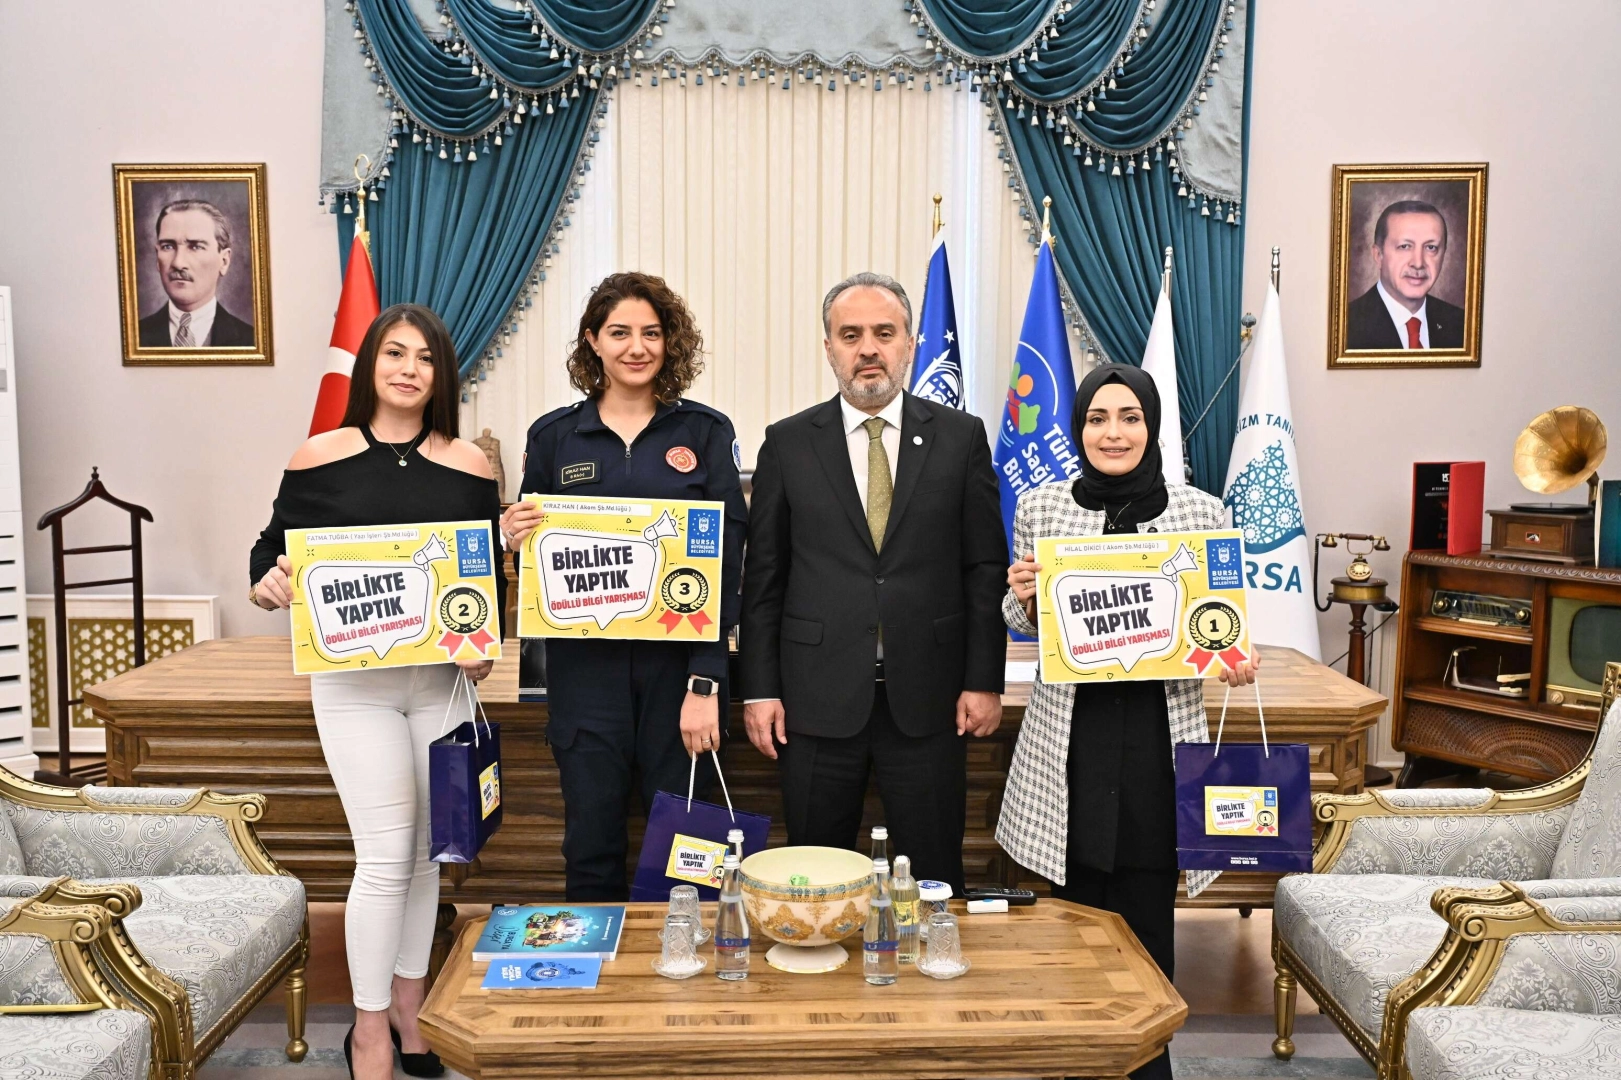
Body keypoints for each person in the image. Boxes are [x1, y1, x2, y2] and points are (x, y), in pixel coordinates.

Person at [248, 303, 502, 1080]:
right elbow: (270, 550)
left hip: (439, 688)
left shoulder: (472, 465)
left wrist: (481, 648)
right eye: (394, 353)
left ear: (441, 374)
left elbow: (478, 578)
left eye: (424, 357)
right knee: (386, 854)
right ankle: (365, 1027)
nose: (408, 369)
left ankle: (408, 1004)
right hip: (353, 688)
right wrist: (267, 582)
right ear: (370, 365)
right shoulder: (319, 454)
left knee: (427, 854)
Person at [998, 363, 1257, 1080]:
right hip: (1070, 752)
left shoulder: (1202, 513)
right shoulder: (1041, 508)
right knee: (1073, 934)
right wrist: (1022, 597)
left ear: (1151, 426)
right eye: (1097, 418)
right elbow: (1022, 617)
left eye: (1129, 418)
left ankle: (1148, 1065)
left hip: (1157, 749)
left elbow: (1220, 624)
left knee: (1147, 936)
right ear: (1078, 428)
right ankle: (1077, 1061)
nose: (1113, 433)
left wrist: (1234, 654)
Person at [740, 272, 1007, 894]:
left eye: (884, 333)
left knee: (932, 877)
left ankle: (926, 960)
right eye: (851, 334)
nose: (868, 349)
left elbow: (984, 569)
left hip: (932, 699)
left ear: (910, 344)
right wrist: (759, 689)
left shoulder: (961, 437)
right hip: (814, 700)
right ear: (828, 347)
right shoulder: (787, 443)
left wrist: (983, 679)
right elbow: (765, 580)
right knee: (815, 876)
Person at [499, 271, 746, 902]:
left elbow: (727, 562)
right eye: (619, 333)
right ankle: (594, 964)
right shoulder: (553, 436)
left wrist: (706, 682)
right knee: (590, 847)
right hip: (584, 675)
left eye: (651, 333)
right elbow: (536, 562)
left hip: (679, 674)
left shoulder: (705, 432)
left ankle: (683, 961)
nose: (637, 347)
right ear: (593, 341)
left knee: (687, 857)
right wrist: (512, 535)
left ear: (670, 342)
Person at [1345, 199, 1464, 350]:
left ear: (1443, 255)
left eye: (1431, 247)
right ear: (1378, 255)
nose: (1418, 263)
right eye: (1405, 246)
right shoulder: (1346, 326)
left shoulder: (1461, 325)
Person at [138, 198, 255, 347]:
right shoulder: (133, 337)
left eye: (196, 247)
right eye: (168, 246)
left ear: (224, 261)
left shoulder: (252, 341)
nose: (178, 263)